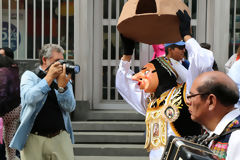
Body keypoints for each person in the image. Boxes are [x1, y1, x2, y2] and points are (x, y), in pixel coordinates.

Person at [116, 10, 214, 160]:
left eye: (147, 71)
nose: (140, 75)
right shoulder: (150, 102)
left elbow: (203, 62)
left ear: (163, 73)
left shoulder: (187, 94)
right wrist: (127, 55)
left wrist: (187, 37)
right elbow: (123, 85)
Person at [10, 44, 76, 160]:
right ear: (44, 60)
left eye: (62, 60)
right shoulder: (29, 76)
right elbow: (29, 98)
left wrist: (62, 88)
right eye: (57, 60)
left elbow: (70, 107)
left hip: (60, 137)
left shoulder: (63, 77)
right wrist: (49, 78)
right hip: (33, 138)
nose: (61, 64)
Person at [186, 71, 240, 160]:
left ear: (211, 101)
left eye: (191, 95)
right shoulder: (214, 133)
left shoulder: (237, 137)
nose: (188, 101)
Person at [0, 54, 21, 160]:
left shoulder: (3, 72)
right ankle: (12, 157)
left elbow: (2, 94)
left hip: (5, 110)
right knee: (9, 136)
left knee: (4, 135)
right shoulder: (13, 71)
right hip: (16, 108)